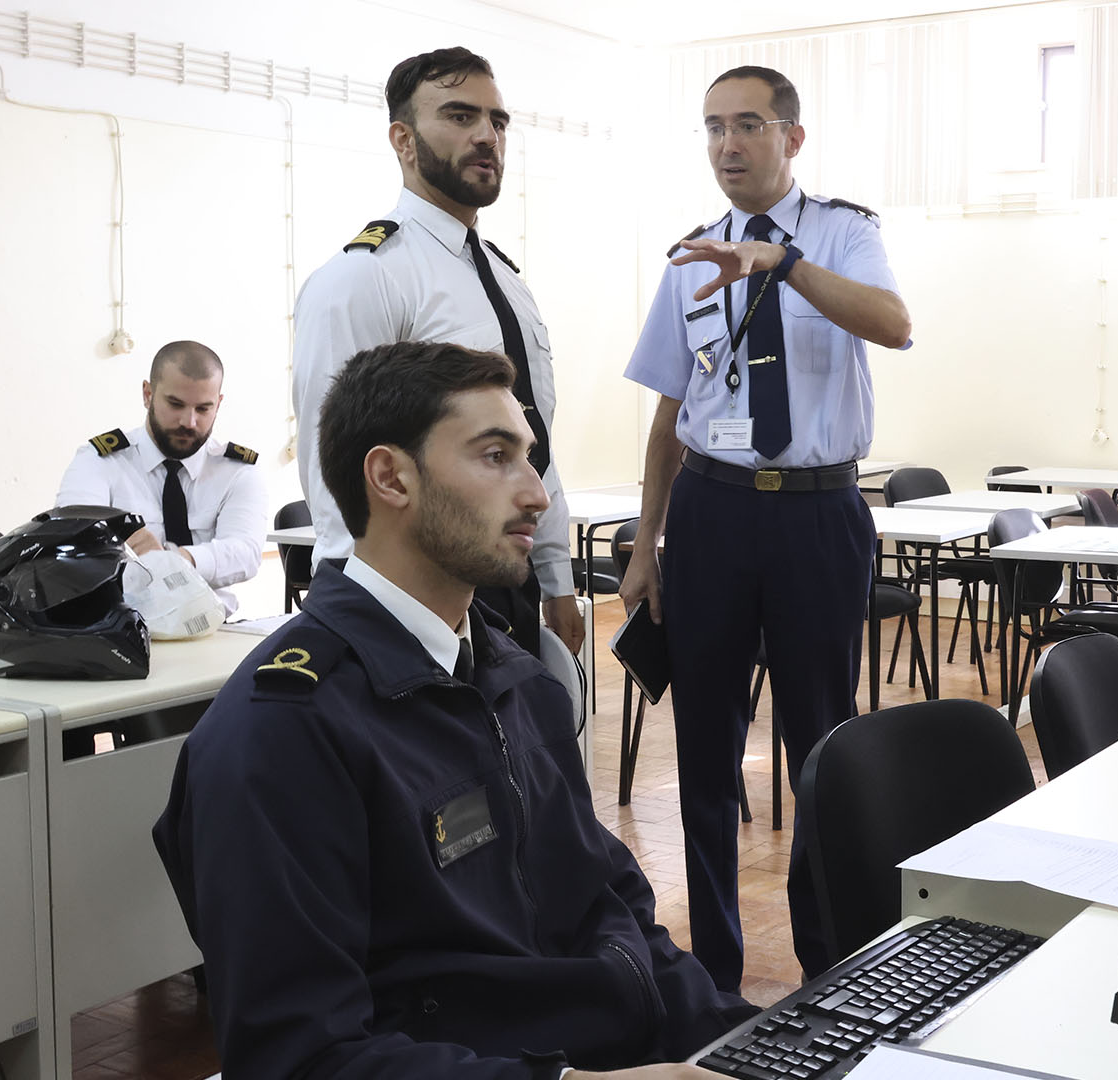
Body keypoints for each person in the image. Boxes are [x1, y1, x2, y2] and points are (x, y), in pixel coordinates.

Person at [153, 340, 751, 1078]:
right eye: (496, 456)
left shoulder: (519, 680)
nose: (537, 494)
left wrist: (747, 1043)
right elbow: (300, 1058)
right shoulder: (282, 733)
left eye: (530, 459)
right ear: (390, 477)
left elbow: (613, 910)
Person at [619, 66, 912, 991]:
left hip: (818, 512)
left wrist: (780, 264)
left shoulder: (843, 233)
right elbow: (671, 410)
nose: (727, 144)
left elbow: (893, 324)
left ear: (792, 136)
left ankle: (827, 959)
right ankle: (715, 970)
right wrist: (646, 542)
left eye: (747, 125)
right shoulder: (691, 258)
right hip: (713, 511)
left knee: (821, 739)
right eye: (713, 127)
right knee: (706, 745)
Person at [291, 46, 583, 657]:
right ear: (403, 140)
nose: (486, 136)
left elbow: (533, 441)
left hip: (510, 570)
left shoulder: (506, 279)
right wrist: (361, 615)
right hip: (417, 590)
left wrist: (555, 575)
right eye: (459, 116)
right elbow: (335, 462)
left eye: (497, 121)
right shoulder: (366, 276)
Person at [55, 340, 266, 617]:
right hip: (120, 625)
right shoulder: (98, 462)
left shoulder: (237, 471)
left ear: (219, 404)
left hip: (215, 626)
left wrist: (174, 561)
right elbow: (76, 544)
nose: (189, 422)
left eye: (203, 409)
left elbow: (245, 554)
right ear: (148, 394)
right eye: (176, 404)